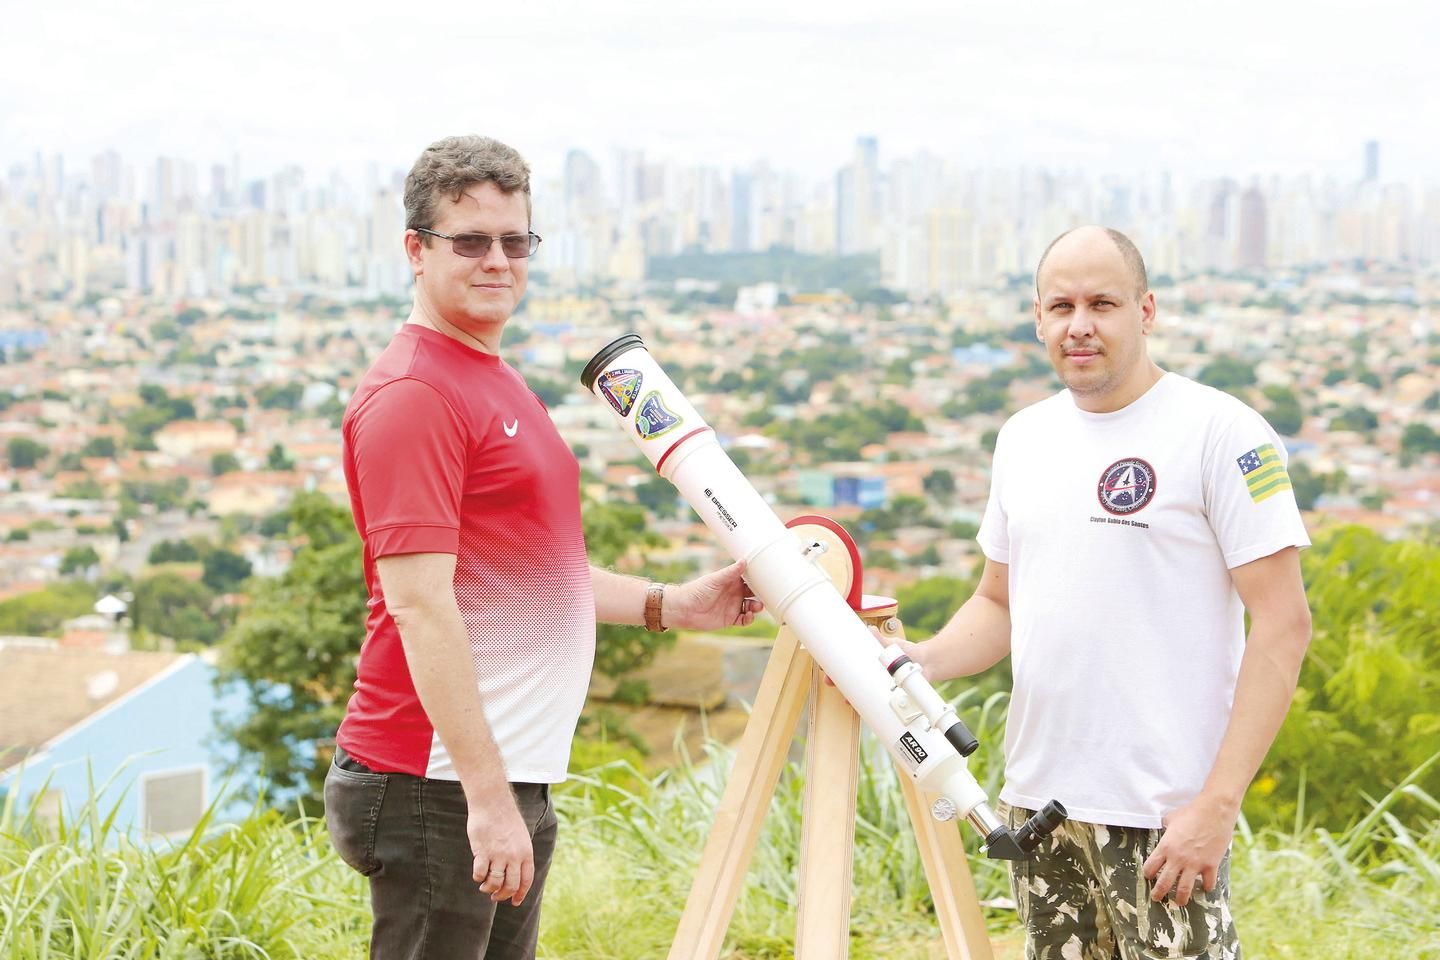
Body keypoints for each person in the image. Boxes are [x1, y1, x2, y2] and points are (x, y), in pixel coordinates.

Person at [323, 134, 761, 960]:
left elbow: (527, 575)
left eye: (515, 240)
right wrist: (486, 798)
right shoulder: (416, 394)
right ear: (416, 250)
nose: (498, 260)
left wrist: (670, 604)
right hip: (438, 782)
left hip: (492, 777)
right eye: (471, 240)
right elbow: (421, 605)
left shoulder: (487, 371)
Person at [905, 226, 1311, 959]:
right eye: (1061, 306)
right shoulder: (1022, 438)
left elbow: (1285, 626)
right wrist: (918, 662)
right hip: (1038, 809)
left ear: (1146, 310)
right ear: (1038, 318)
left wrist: (1217, 806)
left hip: (1166, 818)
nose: (1080, 324)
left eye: (1103, 303)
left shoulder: (1222, 433)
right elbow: (997, 603)